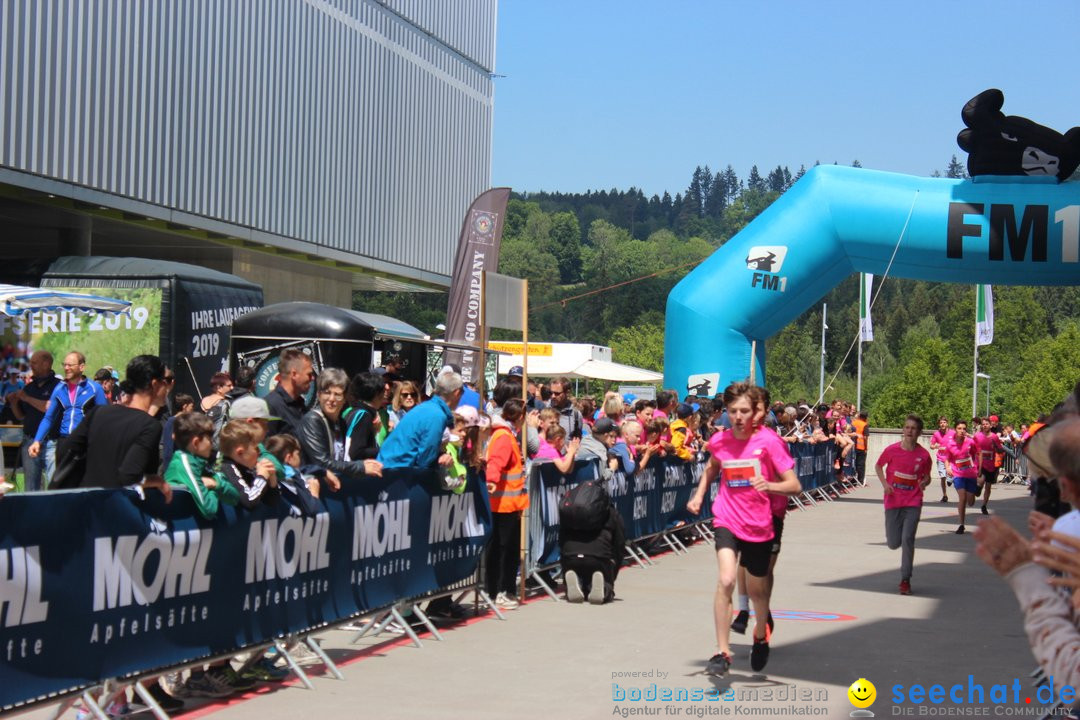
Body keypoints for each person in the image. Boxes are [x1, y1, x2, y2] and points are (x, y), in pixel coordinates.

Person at [687, 382, 802, 677]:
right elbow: (713, 467)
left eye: (744, 411)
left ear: (755, 413)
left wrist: (770, 485)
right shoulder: (720, 441)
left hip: (759, 523)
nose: (737, 417)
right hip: (726, 518)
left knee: (756, 591)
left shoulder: (769, 442)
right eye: (732, 411)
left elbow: (795, 485)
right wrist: (699, 495)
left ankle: (761, 634)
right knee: (726, 579)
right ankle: (721, 652)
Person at [52, 355, 172, 499]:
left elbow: (66, 449)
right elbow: (129, 476)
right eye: (166, 381)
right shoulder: (150, 426)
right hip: (118, 509)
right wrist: (157, 481)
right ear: (154, 384)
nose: (168, 387)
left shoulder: (98, 412)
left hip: (85, 503)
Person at [875, 414, 932, 595]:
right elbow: (878, 466)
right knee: (893, 543)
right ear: (903, 430)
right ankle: (896, 544)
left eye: (913, 428)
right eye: (907, 427)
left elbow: (927, 475)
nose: (909, 431)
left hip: (913, 501)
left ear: (919, 432)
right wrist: (885, 485)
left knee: (908, 539)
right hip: (893, 501)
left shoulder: (923, 455)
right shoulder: (892, 450)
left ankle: (905, 579)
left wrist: (925, 482)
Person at [299, 368, 383, 482]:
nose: (331, 399)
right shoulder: (312, 420)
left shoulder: (341, 422)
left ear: (344, 399)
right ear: (318, 395)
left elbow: (344, 458)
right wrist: (360, 467)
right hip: (314, 488)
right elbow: (322, 463)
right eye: (327, 393)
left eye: (337, 394)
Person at [484, 398, 527, 610]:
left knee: (505, 549)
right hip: (503, 503)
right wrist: (491, 480)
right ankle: (500, 590)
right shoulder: (504, 436)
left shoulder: (507, 434)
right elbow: (495, 461)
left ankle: (499, 589)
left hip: (509, 502)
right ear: (520, 417)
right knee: (504, 549)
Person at [28, 351, 108, 464]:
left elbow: (104, 419)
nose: (66, 368)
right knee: (62, 480)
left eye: (70, 365)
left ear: (81, 367)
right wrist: (37, 441)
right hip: (64, 442)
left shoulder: (94, 389)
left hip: (86, 442)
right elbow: (48, 418)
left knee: (85, 481)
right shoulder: (59, 389)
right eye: (64, 365)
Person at [377, 370, 462, 469]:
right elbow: (426, 458)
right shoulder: (436, 415)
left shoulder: (428, 408)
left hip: (391, 467)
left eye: (412, 394)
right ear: (457, 393)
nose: (409, 397)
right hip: (397, 472)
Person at [165, 412, 240, 519]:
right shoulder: (183, 463)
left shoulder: (204, 461)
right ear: (196, 443)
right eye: (209, 440)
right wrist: (215, 487)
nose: (212, 444)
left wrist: (215, 483)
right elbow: (209, 509)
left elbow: (235, 498)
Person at [560, 485, 626, 605]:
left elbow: (561, 540)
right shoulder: (611, 512)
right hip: (599, 556)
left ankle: (576, 581)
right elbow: (619, 544)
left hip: (571, 555)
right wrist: (612, 573)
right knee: (604, 581)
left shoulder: (570, 512)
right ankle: (603, 587)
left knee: (575, 566)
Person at [7, 350, 59, 491]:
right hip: (30, 441)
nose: (31, 366)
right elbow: (21, 416)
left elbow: (49, 408)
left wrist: (27, 398)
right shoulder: (29, 387)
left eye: (34, 363)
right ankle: (33, 512)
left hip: (51, 443)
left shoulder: (58, 386)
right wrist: (14, 403)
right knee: (31, 487)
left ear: (46, 364)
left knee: (55, 486)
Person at [265, 349, 314, 438]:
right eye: (309, 374)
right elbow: (264, 448)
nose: (312, 378)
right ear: (294, 374)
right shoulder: (270, 405)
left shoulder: (300, 405)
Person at [944, 419, 979, 534]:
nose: (962, 431)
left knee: (971, 502)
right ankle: (961, 524)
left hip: (970, 474)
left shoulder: (970, 442)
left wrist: (978, 468)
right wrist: (948, 467)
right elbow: (947, 458)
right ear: (955, 429)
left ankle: (976, 489)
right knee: (962, 497)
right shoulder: (950, 444)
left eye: (964, 429)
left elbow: (977, 454)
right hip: (958, 474)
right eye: (959, 428)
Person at [344, 371, 388, 461]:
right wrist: (384, 450)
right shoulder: (364, 416)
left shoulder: (352, 411)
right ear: (377, 394)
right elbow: (356, 452)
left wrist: (374, 431)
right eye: (382, 391)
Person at [974, 416, 1004, 516]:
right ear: (981, 426)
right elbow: (972, 447)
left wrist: (995, 446)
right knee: (981, 481)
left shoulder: (994, 437)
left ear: (990, 425)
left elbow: (1000, 450)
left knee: (988, 487)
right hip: (980, 463)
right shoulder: (978, 436)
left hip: (991, 464)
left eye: (987, 424)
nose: (985, 426)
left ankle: (984, 505)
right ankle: (978, 488)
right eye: (983, 424)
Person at [929, 416, 955, 503]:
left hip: (951, 458)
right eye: (941, 423)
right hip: (940, 458)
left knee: (949, 477)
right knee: (942, 477)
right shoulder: (936, 434)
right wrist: (935, 446)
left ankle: (950, 479)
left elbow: (959, 442)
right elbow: (931, 446)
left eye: (944, 422)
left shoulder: (953, 433)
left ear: (947, 423)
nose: (942, 424)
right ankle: (945, 495)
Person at [851, 410, 869, 486]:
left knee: (853, 464)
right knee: (861, 465)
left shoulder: (853, 423)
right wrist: (866, 447)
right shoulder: (865, 424)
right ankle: (860, 480)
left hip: (853, 446)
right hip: (861, 447)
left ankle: (852, 480)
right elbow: (865, 437)